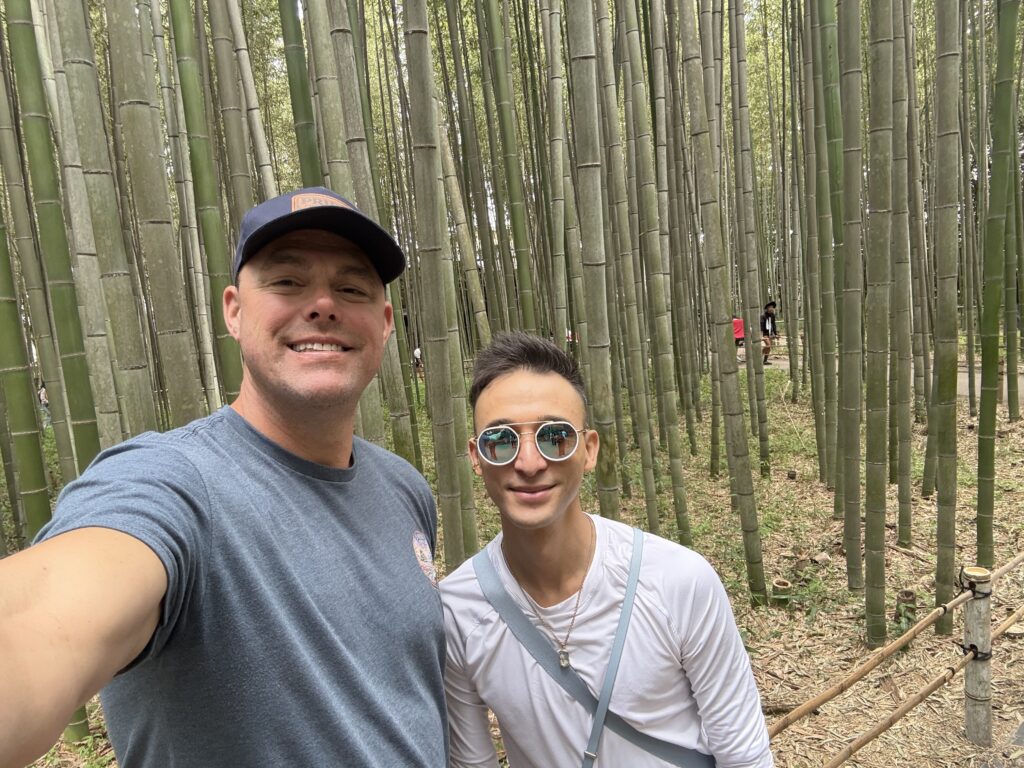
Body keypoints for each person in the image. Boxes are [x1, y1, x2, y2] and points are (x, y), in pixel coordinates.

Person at [0, 188, 448, 768]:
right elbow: (42, 615)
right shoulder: (171, 484)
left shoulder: (404, 487)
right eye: (287, 282)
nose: (323, 305)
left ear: (384, 323)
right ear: (233, 311)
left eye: (352, 288)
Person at [441, 332, 773, 767]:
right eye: (500, 440)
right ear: (476, 456)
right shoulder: (457, 610)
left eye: (555, 436)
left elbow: (745, 756)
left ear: (589, 450)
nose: (529, 463)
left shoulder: (678, 581)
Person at [760, 301, 779, 365]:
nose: (771, 308)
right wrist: (761, 335)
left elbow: (774, 325)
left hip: (770, 333)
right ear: (767, 308)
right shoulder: (763, 316)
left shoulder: (772, 315)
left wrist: (775, 334)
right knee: (768, 345)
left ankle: (765, 360)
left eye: (772, 307)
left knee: (769, 347)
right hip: (764, 333)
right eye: (770, 307)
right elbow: (761, 326)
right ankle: (759, 355)